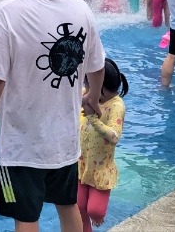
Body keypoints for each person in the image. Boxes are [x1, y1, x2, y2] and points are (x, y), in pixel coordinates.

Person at [0, 0, 105, 232]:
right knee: (67, 205)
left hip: (19, 146)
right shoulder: (80, 7)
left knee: (26, 217)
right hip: (65, 141)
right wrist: (93, 97)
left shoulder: (8, 12)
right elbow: (96, 66)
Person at [77, 59, 128, 232]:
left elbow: (114, 136)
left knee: (94, 211)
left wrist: (92, 118)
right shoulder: (89, 94)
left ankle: (97, 218)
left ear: (102, 86)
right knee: (78, 207)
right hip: (82, 161)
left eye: (89, 84)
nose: (87, 88)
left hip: (100, 167)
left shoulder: (116, 105)